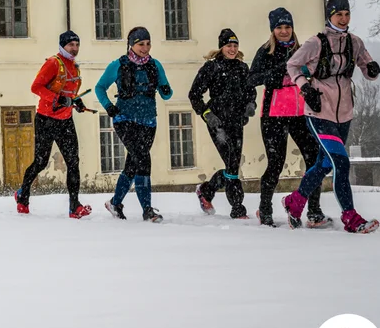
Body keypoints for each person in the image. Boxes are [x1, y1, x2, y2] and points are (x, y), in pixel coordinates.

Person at [283, 0, 380, 233]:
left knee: (324, 164)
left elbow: (367, 67)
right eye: (339, 14)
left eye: (347, 14)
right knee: (340, 162)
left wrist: (372, 70)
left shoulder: (355, 42)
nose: (344, 19)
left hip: (344, 112)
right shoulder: (316, 43)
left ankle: (294, 202)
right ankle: (350, 217)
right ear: (329, 16)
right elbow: (292, 65)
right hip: (319, 111)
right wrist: (305, 88)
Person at [248, 7, 326, 227]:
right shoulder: (265, 51)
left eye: (287, 27)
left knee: (313, 160)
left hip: (301, 113)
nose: (284, 31)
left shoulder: (302, 50)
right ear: (273, 30)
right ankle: (265, 210)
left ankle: (314, 211)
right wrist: (275, 74)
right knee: (275, 163)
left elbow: (315, 73)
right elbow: (251, 78)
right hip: (274, 115)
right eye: (279, 27)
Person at [94, 27, 173, 223]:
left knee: (133, 164)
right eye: (141, 44)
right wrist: (108, 106)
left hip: (148, 121)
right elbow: (99, 87)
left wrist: (165, 89)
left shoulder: (155, 65)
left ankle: (115, 202)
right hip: (125, 119)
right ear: (131, 45)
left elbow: (167, 93)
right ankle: (147, 209)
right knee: (142, 158)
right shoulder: (119, 65)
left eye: (148, 44)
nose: (145, 48)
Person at [14, 30, 92, 218]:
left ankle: (74, 206)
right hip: (46, 119)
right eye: (71, 45)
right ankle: (22, 195)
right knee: (40, 162)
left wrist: (76, 101)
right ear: (62, 46)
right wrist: (57, 99)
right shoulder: (53, 63)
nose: (75, 49)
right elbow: (36, 87)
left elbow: (69, 92)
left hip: (65, 120)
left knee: (73, 162)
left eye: (77, 45)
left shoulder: (74, 66)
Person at [188, 29, 257, 219]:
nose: (232, 49)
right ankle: (237, 207)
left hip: (236, 122)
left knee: (232, 164)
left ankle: (207, 190)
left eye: (235, 46)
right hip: (217, 122)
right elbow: (194, 94)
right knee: (232, 163)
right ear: (221, 47)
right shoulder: (212, 67)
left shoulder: (242, 68)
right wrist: (207, 114)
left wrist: (250, 104)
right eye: (228, 45)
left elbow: (251, 91)